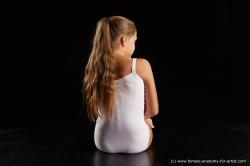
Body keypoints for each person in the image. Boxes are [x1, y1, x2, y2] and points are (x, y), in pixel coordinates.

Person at [82, 16, 159, 153]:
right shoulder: (141, 65)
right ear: (124, 40)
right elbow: (153, 110)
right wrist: (145, 119)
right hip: (136, 141)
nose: (135, 46)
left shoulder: (94, 67)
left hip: (103, 141)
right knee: (146, 122)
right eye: (134, 41)